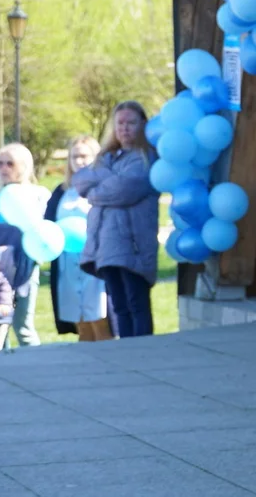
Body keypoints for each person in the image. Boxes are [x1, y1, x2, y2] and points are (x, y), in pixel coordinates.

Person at [74, 101, 160, 338]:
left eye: (131, 122)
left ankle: (142, 350)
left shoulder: (146, 158)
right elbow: (81, 180)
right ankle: (126, 352)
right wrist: (104, 182)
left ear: (143, 124)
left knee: (136, 301)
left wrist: (96, 190)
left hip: (132, 244)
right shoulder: (108, 157)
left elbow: (125, 189)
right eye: (120, 123)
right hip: (104, 246)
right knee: (118, 304)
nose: (124, 128)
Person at [46, 135, 112, 341]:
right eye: (75, 156)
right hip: (68, 265)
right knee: (80, 321)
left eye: (84, 156)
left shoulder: (104, 187)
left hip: (96, 263)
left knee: (100, 319)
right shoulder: (62, 191)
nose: (79, 161)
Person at [0, 143, 50, 346]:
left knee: (23, 326)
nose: (4, 169)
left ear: (25, 166)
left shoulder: (39, 196)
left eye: (10, 164)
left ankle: (36, 371)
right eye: (0, 164)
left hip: (25, 270)